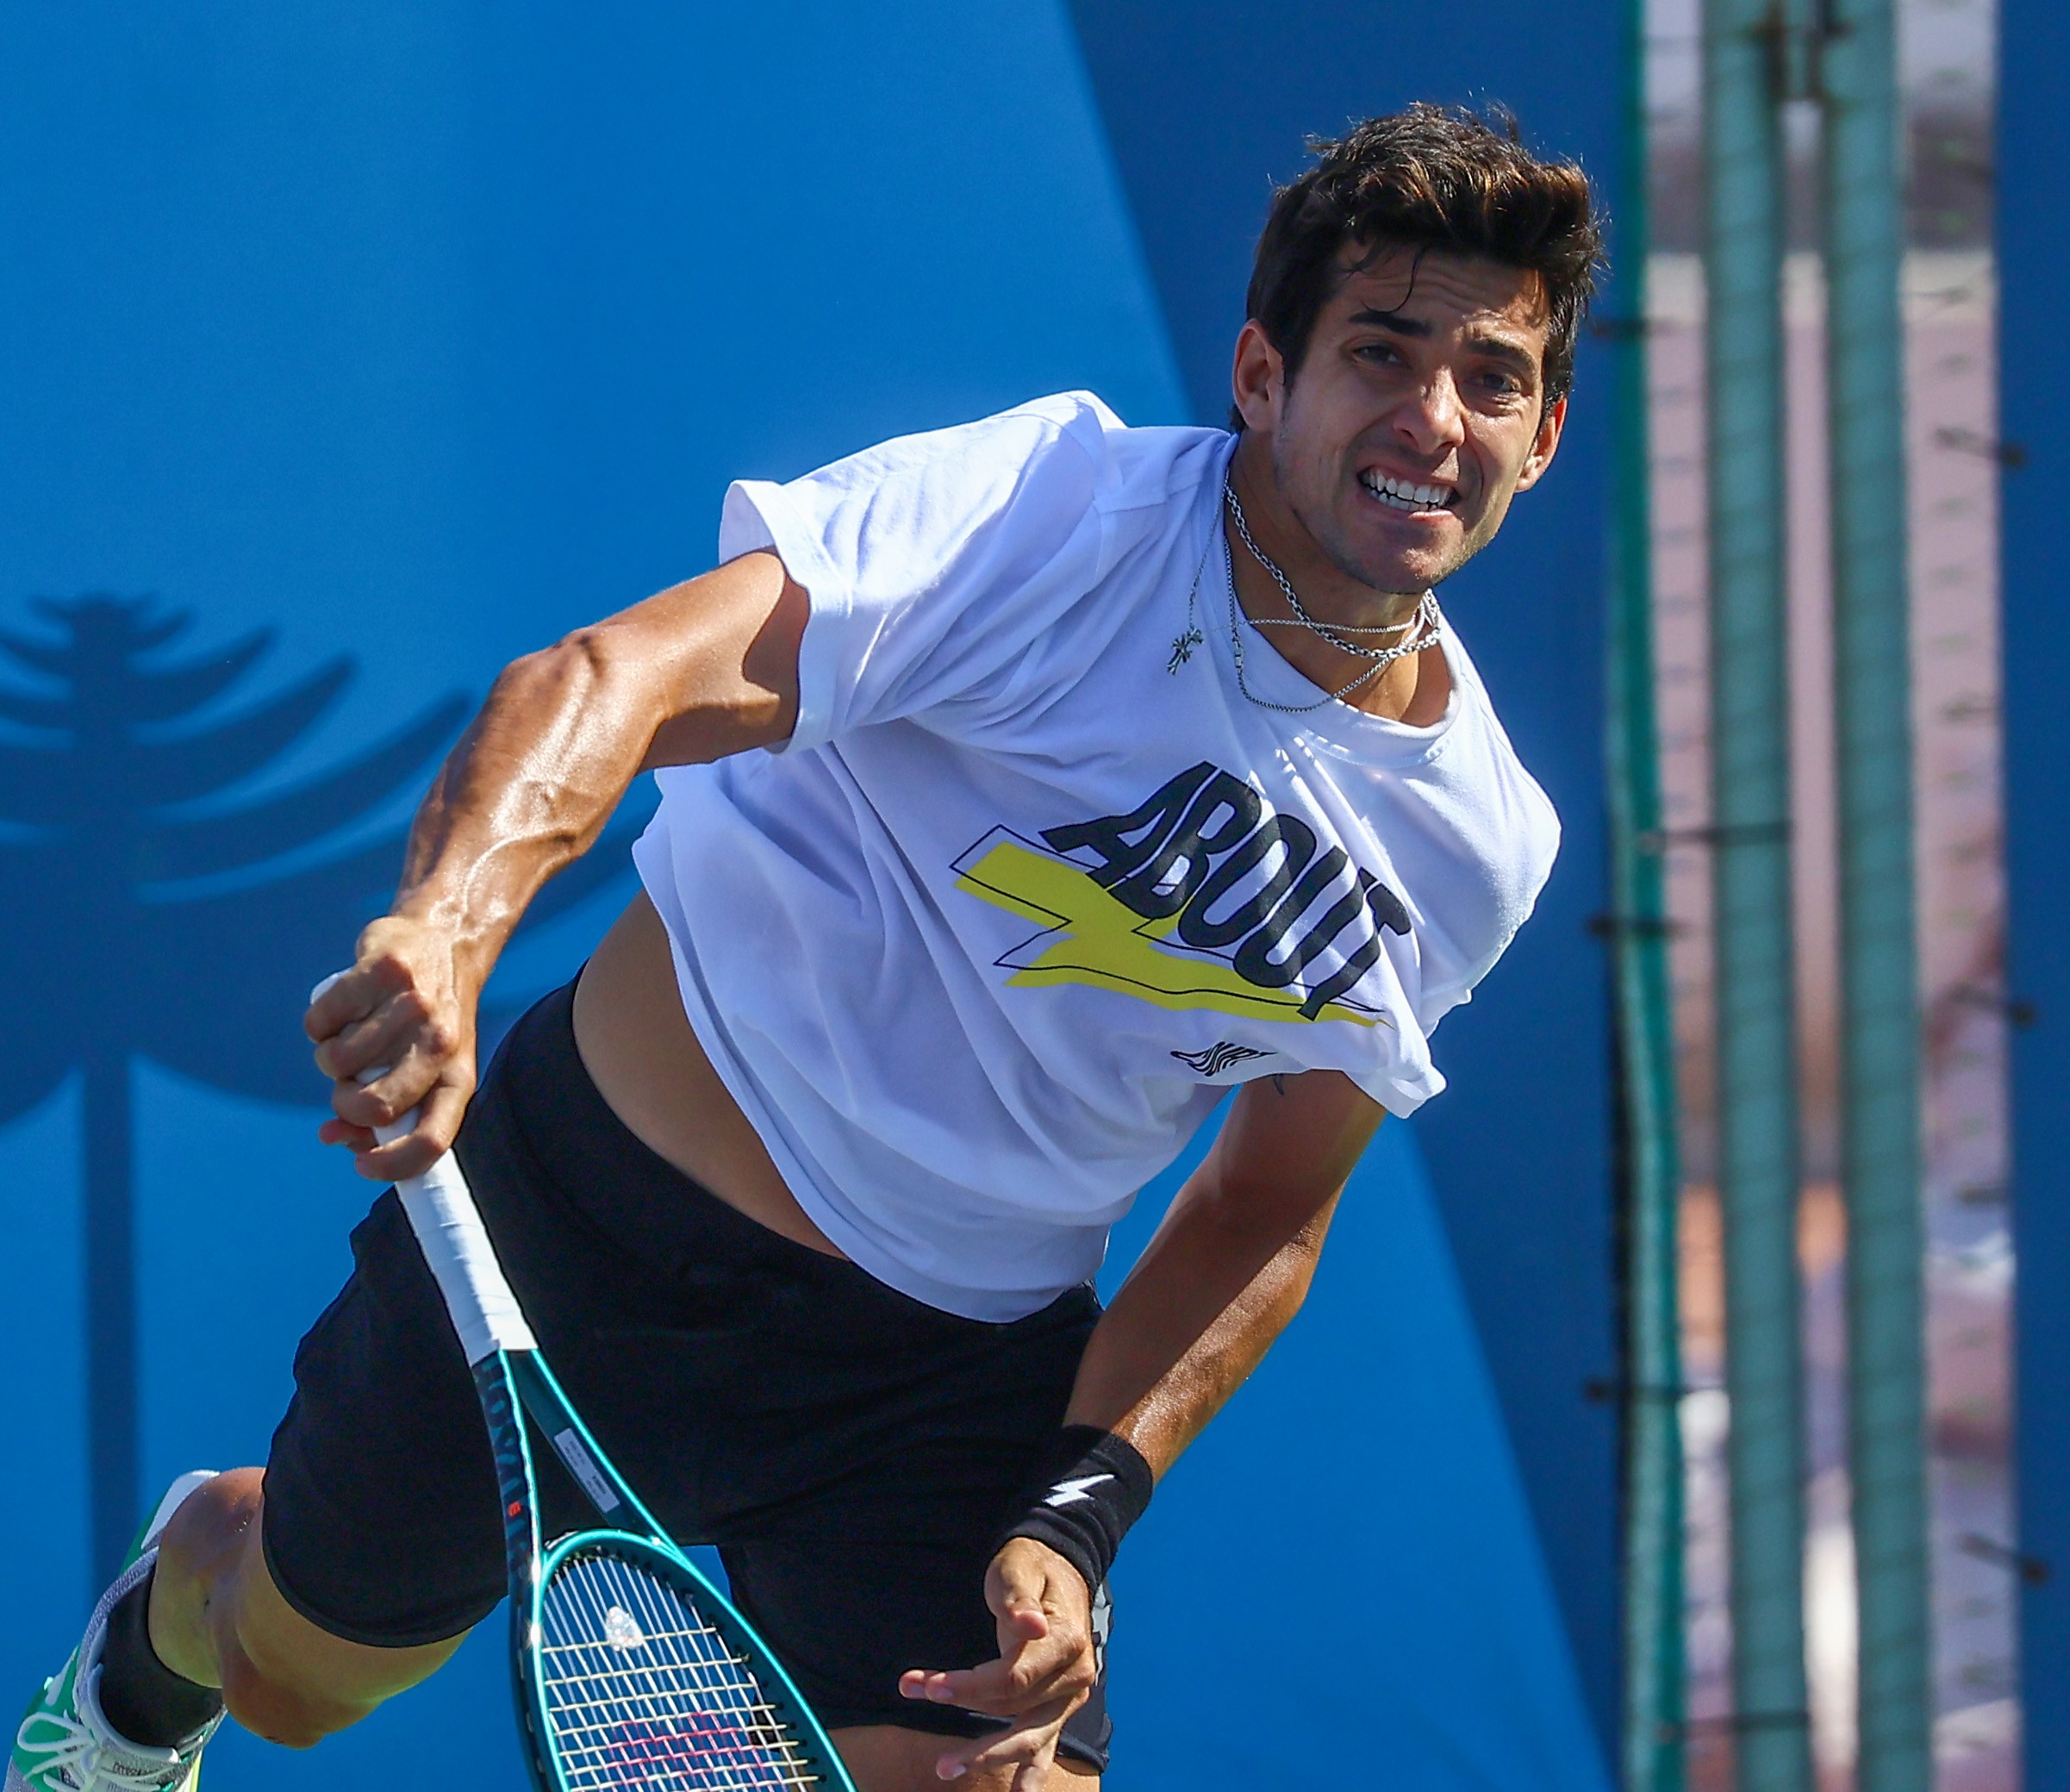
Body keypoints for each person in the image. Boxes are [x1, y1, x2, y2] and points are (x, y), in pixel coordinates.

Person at [9, 103, 1600, 1792]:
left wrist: (1078, 1507)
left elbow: (1269, 1206)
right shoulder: (1049, 521)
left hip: (947, 1375)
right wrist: (445, 932)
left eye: (1491, 376)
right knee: (292, 1674)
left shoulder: (1473, 839)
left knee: (1002, 1774)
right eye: (1382, 350)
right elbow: (607, 682)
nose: (1434, 416)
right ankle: (176, 1605)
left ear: (1547, 431)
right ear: (1266, 375)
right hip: (583, 1218)